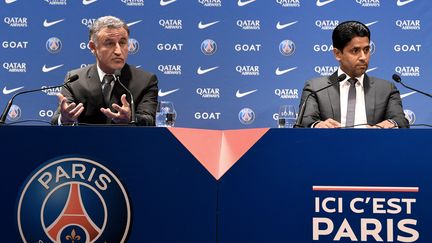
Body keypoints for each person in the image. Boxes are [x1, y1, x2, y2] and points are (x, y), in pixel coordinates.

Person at [298, 20, 409, 128]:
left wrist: (390, 124)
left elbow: (400, 121)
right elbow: (305, 121)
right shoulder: (315, 88)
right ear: (337, 54)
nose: (363, 57)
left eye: (366, 50)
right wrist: (317, 125)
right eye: (355, 51)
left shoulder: (386, 89)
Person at [51, 15, 158, 126]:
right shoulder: (74, 80)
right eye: (109, 43)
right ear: (93, 47)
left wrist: (131, 118)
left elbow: (150, 120)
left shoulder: (146, 81)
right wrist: (64, 120)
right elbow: (56, 121)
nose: (118, 51)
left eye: (122, 43)